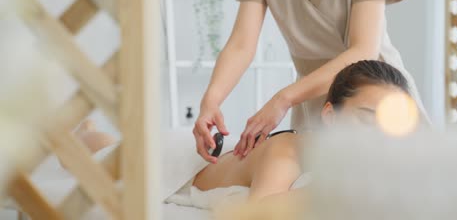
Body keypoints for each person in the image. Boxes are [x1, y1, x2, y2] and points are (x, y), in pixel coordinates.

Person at [75, 61, 416, 206]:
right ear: (330, 116)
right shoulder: (291, 152)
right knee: (92, 155)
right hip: (179, 161)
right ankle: (82, 132)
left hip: (220, 157)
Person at [192, 0, 428, 164]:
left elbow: (363, 50)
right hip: (312, 99)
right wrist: (211, 102)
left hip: (372, 97)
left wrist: (284, 99)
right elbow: (241, 44)